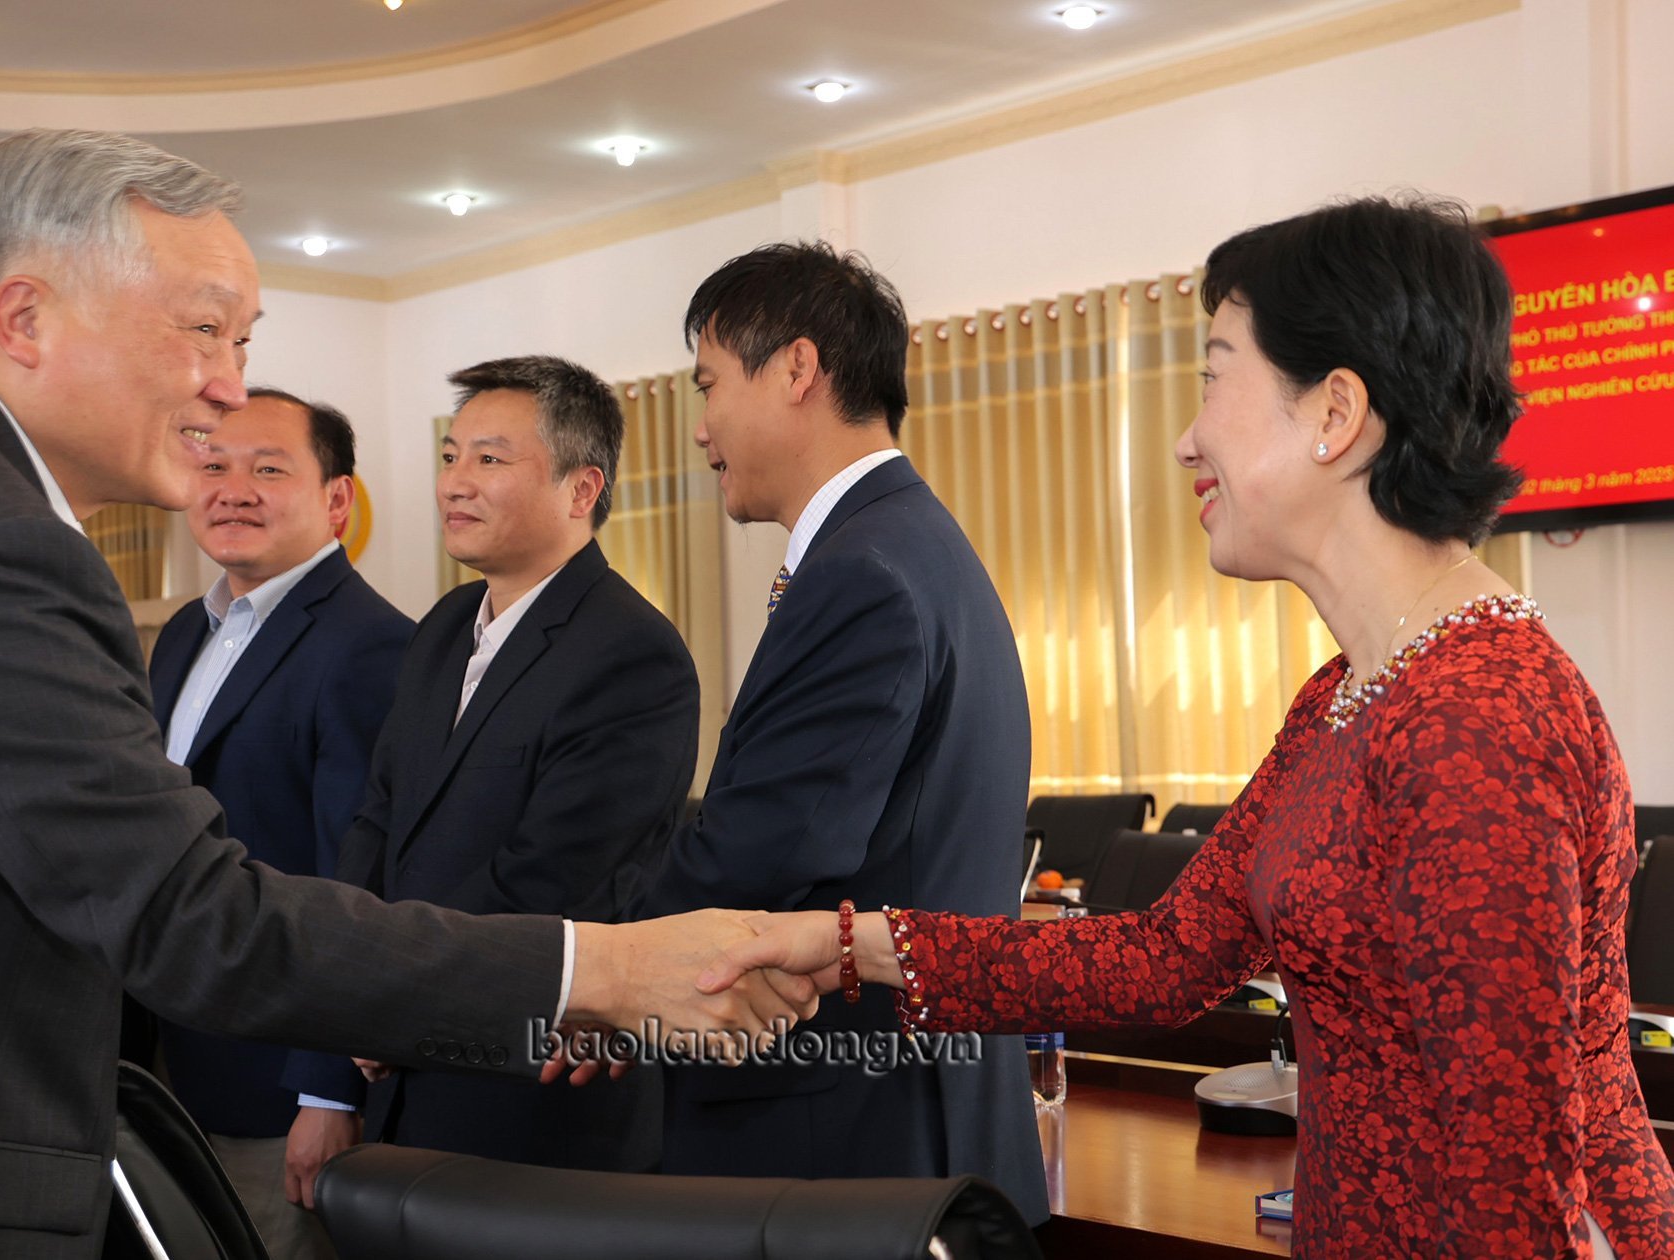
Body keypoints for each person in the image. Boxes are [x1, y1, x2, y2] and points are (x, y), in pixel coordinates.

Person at [0, 128, 809, 1258]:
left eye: (242, 340)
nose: (228, 388)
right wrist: (603, 967)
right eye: (204, 331)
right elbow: (195, 917)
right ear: (25, 319)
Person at [708, 198, 1674, 1258]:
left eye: (1214, 376)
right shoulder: (1350, 693)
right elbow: (1158, 962)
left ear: (1334, 413)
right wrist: (842, 944)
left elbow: (1507, 1183)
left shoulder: (1476, 717)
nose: (1185, 437)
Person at [628, 242, 1046, 1224]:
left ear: (797, 371)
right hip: (912, 1108)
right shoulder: (913, 544)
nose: (700, 429)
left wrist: (600, 974)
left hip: (851, 1125)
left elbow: (764, 847)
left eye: (709, 385)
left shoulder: (863, 571)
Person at [339, 355, 698, 1172]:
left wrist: (391, 997)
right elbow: (378, 817)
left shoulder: (632, 653)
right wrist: (353, 985)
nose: (455, 483)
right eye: (450, 456)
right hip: (398, 1066)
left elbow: (553, 879)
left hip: (526, 1094)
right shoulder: (442, 627)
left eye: (490, 459)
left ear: (581, 489)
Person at [146, 387, 413, 1255]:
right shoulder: (189, 629)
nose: (233, 489)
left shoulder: (370, 645)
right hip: (168, 1064)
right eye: (214, 465)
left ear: (338, 500)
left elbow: (359, 878)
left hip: (277, 1084)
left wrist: (330, 1092)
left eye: (268, 469)